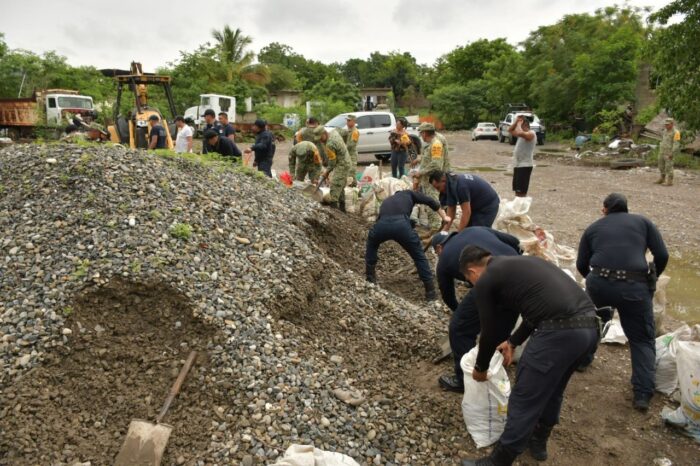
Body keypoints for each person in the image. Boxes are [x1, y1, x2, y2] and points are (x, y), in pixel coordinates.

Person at [460, 249, 599, 466]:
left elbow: (489, 330)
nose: (473, 285)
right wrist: (513, 341)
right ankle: (538, 442)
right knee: (553, 388)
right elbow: (537, 310)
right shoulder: (519, 265)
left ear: (472, 271)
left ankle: (499, 461)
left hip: (558, 333)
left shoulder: (487, 279)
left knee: (524, 397)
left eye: (470, 281)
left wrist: (481, 367)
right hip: (589, 329)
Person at [576, 193, 668, 411]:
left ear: (605, 209)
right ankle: (642, 394)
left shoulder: (593, 228)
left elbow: (582, 264)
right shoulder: (643, 222)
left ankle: (582, 361)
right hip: (634, 288)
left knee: (595, 324)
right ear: (626, 208)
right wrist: (651, 279)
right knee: (642, 339)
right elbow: (662, 255)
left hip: (600, 283)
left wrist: (594, 282)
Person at [430, 227, 521, 392]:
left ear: (439, 248)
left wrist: (460, 313)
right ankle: (496, 367)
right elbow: (514, 241)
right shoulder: (475, 229)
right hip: (519, 272)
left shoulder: (443, 260)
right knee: (502, 325)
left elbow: (447, 295)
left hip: (493, 278)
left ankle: (465, 381)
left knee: (459, 329)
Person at [366, 190, 451, 301]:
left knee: (372, 244)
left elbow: (382, 220)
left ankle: (370, 279)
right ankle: (430, 292)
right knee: (419, 257)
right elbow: (430, 201)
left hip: (381, 225)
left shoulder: (388, 200)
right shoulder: (410, 194)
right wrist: (444, 216)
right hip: (401, 226)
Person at [428, 170, 501, 231]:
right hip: (476, 206)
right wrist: (444, 231)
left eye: (438, 188)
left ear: (443, 180)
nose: (438, 191)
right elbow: (451, 213)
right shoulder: (451, 183)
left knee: (478, 233)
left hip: (488, 205)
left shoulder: (460, 187)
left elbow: (466, 213)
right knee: (467, 231)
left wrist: (458, 234)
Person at [413, 122, 448, 230]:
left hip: (433, 181)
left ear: (424, 133)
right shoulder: (432, 143)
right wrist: (420, 159)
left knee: (433, 205)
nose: (421, 136)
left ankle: (435, 231)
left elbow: (436, 164)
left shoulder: (436, 144)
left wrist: (420, 172)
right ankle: (435, 229)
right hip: (429, 180)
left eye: (421, 133)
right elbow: (429, 158)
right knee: (432, 204)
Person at [315, 126, 351, 210]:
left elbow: (332, 162)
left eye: (320, 138)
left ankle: (334, 210)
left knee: (335, 185)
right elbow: (345, 132)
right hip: (346, 160)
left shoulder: (330, 144)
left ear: (324, 133)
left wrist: (326, 172)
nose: (320, 140)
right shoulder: (334, 132)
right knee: (340, 185)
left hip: (342, 164)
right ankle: (342, 209)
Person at [508, 115, 536, 197]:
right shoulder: (522, 135)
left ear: (525, 125)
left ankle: (522, 207)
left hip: (525, 165)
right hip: (518, 165)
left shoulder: (531, 134)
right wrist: (517, 121)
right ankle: (518, 207)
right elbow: (510, 130)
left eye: (520, 126)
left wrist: (519, 124)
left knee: (521, 192)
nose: (517, 128)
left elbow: (520, 132)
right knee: (517, 190)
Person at [656, 117, 680, 186]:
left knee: (669, 166)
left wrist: (672, 153)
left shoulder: (676, 132)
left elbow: (676, 144)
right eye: (665, 124)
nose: (666, 126)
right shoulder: (664, 131)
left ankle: (670, 181)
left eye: (668, 124)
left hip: (669, 152)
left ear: (672, 124)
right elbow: (662, 140)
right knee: (660, 165)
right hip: (662, 151)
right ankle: (662, 178)